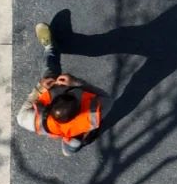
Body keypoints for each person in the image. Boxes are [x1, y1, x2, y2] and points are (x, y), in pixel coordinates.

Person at [16, 22, 111, 156]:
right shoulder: (92, 114)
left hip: (53, 128)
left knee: (50, 75)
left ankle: (50, 47)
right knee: (77, 142)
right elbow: (107, 99)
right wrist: (77, 83)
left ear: (51, 107)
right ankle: (70, 148)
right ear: (79, 108)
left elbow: (20, 117)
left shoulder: (32, 120)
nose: (64, 88)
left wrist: (39, 88)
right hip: (79, 130)